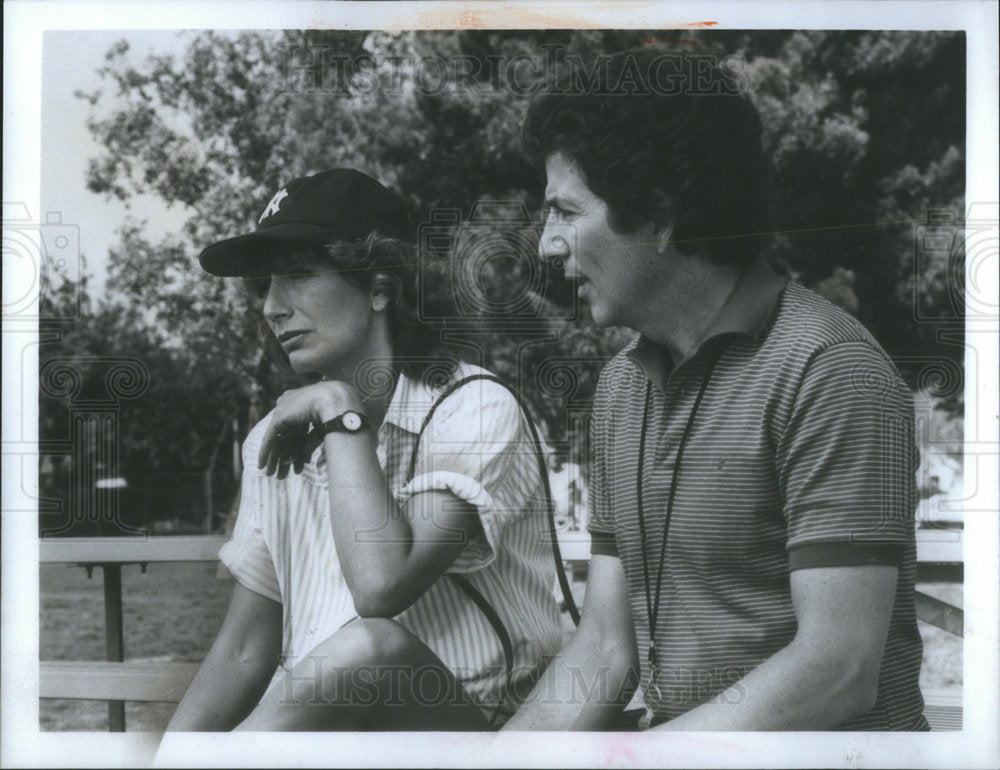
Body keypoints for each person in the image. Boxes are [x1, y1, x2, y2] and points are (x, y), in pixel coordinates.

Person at [504, 49, 928, 731]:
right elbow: (606, 650)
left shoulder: (830, 370)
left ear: (661, 215)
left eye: (565, 211)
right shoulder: (620, 391)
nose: (548, 245)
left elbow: (839, 668)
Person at [167, 168, 562, 731]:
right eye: (265, 286)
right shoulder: (274, 438)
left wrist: (340, 413)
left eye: (298, 275)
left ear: (381, 285)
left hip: (467, 734)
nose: (271, 307)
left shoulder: (473, 408)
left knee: (369, 648)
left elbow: (381, 585)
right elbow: (244, 653)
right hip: (327, 734)